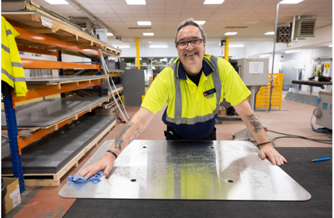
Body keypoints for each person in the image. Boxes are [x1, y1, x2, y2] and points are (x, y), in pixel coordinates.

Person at [79, 18, 287, 179]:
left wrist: (265, 144)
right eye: (182, 42)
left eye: (194, 40)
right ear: (177, 48)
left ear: (204, 44)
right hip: (175, 141)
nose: (189, 47)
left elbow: (244, 110)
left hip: (208, 138)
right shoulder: (166, 78)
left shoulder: (221, 69)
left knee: (208, 184)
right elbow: (139, 120)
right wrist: (110, 155)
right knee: (175, 187)